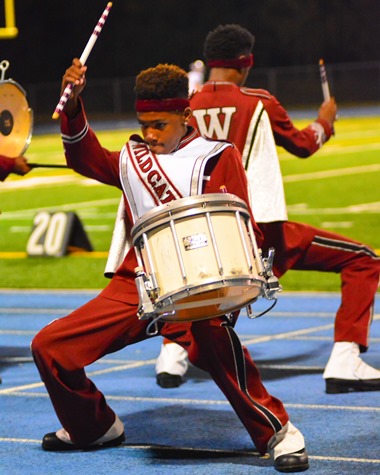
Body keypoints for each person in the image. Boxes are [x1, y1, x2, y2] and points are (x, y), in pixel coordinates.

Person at [31, 58, 309, 473]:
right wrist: (72, 108)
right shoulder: (132, 158)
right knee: (50, 348)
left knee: (218, 347)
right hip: (138, 284)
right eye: (144, 123)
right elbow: (84, 158)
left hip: (201, 280)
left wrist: (228, 291)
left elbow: (240, 221)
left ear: (185, 114)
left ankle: (278, 431)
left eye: (159, 123)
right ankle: (94, 426)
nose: (149, 133)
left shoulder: (216, 156)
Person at [155, 23, 380, 395]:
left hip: (202, 229)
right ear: (247, 62)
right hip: (255, 229)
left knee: (205, 288)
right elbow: (304, 144)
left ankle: (173, 352)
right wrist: (325, 121)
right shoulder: (257, 99)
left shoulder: (185, 105)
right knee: (363, 260)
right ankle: (345, 359)